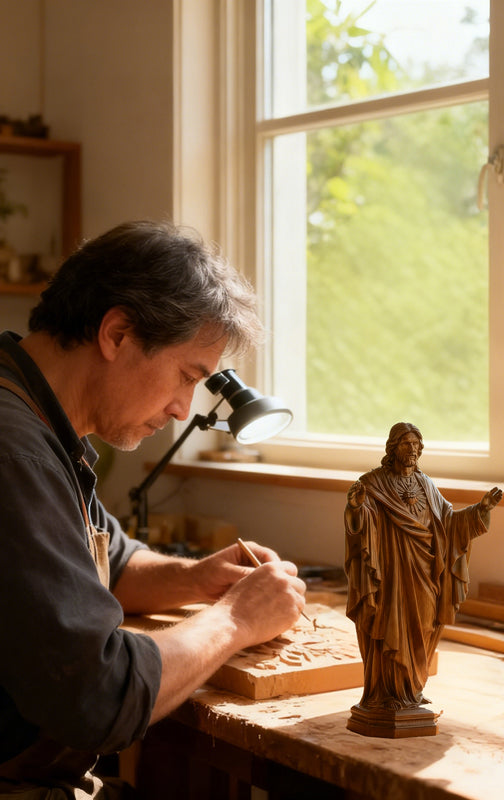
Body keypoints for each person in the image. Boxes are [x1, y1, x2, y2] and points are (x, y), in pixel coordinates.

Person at [0, 221, 307, 798]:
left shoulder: (39, 418)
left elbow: (107, 562)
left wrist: (197, 578)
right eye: (186, 376)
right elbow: (99, 698)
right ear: (117, 333)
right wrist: (235, 619)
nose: (179, 408)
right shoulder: (15, 454)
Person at [344, 422, 502, 716]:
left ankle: (411, 691)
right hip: (391, 574)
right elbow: (363, 526)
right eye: (406, 444)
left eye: (417, 444)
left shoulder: (426, 484)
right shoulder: (373, 483)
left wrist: (480, 510)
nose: (413, 449)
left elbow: (449, 521)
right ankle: (386, 695)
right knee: (391, 626)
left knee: (425, 625)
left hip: (425, 572)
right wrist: (355, 508)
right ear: (393, 447)